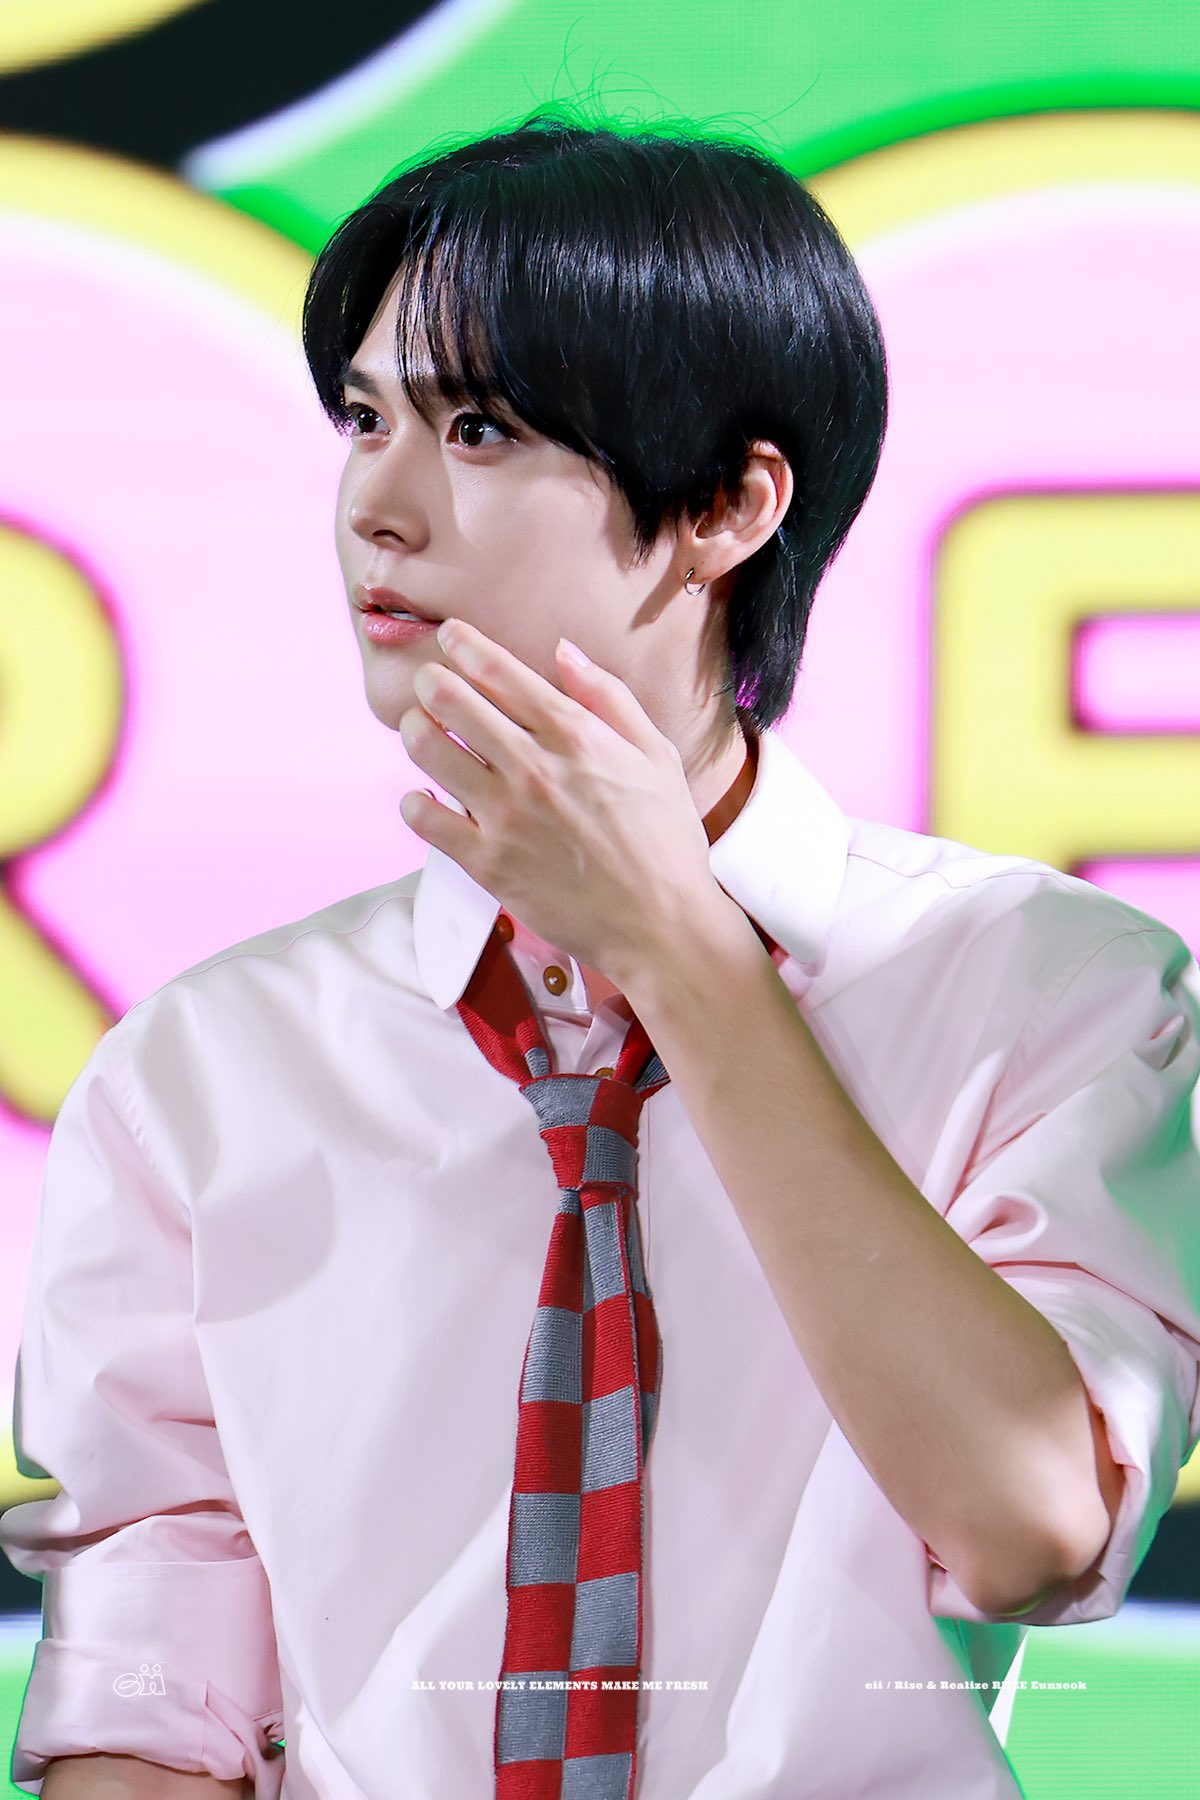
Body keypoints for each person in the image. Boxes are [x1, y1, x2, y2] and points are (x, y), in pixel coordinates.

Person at [2, 109, 1199, 1800]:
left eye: (479, 428)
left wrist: (685, 957)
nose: (377, 509)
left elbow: (1033, 1528)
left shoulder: (1048, 988)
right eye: (365, 419)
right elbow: (149, 1712)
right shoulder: (208, 1071)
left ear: (726, 504)